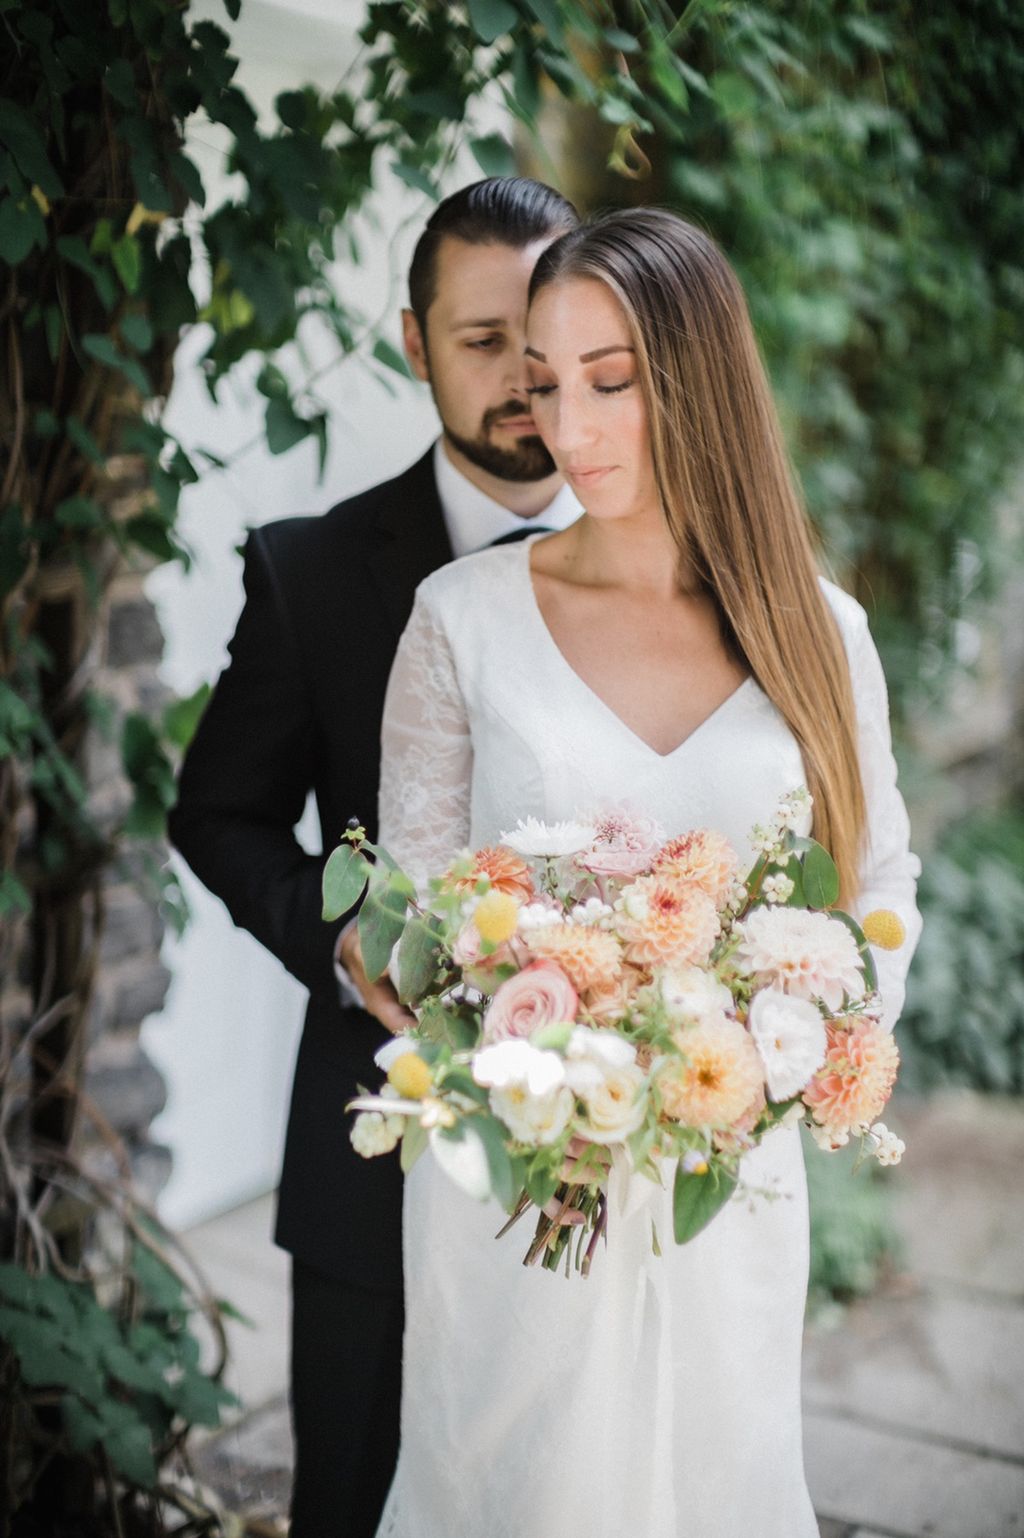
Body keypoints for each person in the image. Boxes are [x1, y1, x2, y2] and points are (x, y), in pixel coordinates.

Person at [365, 208, 922, 1538]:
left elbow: (877, 887)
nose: (572, 422)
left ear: (700, 370)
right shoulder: (461, 622)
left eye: (610, 376)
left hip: (725, 1196)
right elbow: (414, 922)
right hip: (521, 1204)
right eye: (546, 383)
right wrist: (525, 1051)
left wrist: (782, 1060)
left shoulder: (817, 630)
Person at [167, 176, 580, 1538]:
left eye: (547, 333)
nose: (527, 375)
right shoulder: (315, 573)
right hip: (371, 1160)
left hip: (610, 1164)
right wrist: (336, 940)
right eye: (481, 342)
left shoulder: (681, 566)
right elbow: (216, 815)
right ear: (413, 343)